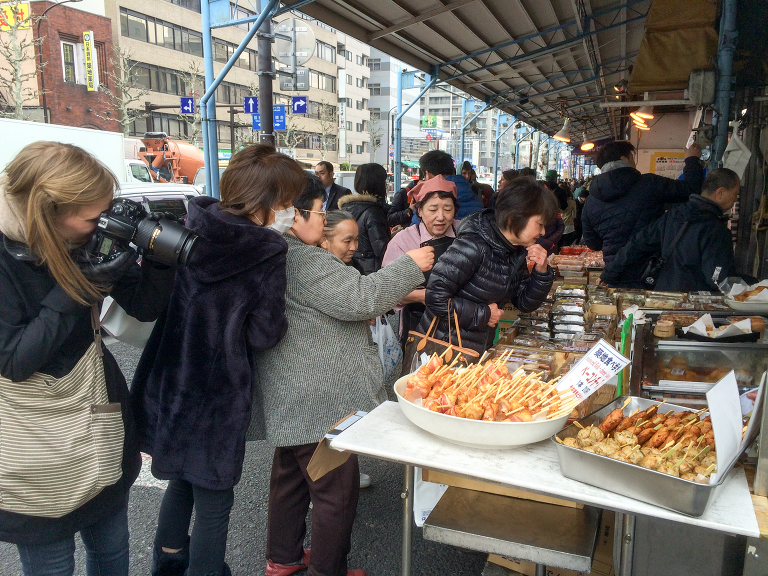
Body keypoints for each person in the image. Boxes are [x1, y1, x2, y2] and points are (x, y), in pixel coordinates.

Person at [0, 142, 175, 575]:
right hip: (34, 444)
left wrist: (157, 260)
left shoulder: (78, 237)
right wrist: (79, 286)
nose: (99, 227)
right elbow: (16, 360)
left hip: (96, 417)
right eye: (92, 219)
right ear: (47, 212)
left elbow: (143, 306)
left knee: (113, 549)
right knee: (53, 564)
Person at [131, 144, 306, 576]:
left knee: (181, 483)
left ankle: (167, 566)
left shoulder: (190, 226)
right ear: (262, 203)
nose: (291, 212)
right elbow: (265, 333)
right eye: (286, 203)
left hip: (170, 381)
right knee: (214, 501)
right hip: (218, 394)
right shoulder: (266, 251)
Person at [254, 177, 434, 576]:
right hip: (321, 398)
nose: (323, 219)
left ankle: (282, 559)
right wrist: (412, 266)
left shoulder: (274, 250)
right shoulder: (305, 258)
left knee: (290, 479)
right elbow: (361, 298)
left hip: (291, 390)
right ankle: (327, 569)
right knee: (336, 491)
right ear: (295, 214)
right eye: (319, 211)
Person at [418, 178, 557, 353]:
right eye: (540, 224)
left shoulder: (514, 251)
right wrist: (484, 314)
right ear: (516, 217)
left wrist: (541, 272)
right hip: (443, 349)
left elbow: (524, 302)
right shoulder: (473, 245)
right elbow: (435, 297)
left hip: (474, 348)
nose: (543, 232)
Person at [602, 168, 742, 292]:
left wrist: (609, 274)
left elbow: (638, 243)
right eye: (735, 194)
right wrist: (752, 285)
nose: (735, 199)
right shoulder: (716, 229)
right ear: (720, 193)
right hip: (695, 304)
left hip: (662, 295)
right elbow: (717, 279)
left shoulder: (674, 214)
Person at [581, 140, 704, 265]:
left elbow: (594, 244)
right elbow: (691, 190)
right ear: (625, 159)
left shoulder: (591, 201)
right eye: (632, 158)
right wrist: (692, 159)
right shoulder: (650, 183)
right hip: (651, 267)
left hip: (614, 271)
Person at [382, 175, 459, 341]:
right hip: (417, 326)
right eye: (432, 210)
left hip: (462, 325)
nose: (440, 217)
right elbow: (385, 291)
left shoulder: (465, 234)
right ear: (420, 211)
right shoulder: (404, 241)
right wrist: (422, 296)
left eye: (447, 209)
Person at [337, 163, 391, 274]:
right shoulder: (373, 212)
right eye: (384, 181)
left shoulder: (347, 208)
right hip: (372, 273)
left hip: (352, 270)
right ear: (378, 183)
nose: (386, 185)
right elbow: (383, 250)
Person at [417, 150, 482, 220]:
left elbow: (417, 229)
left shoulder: (426, 200)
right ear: (454, 172)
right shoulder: (477, 199)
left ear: (428, 175)